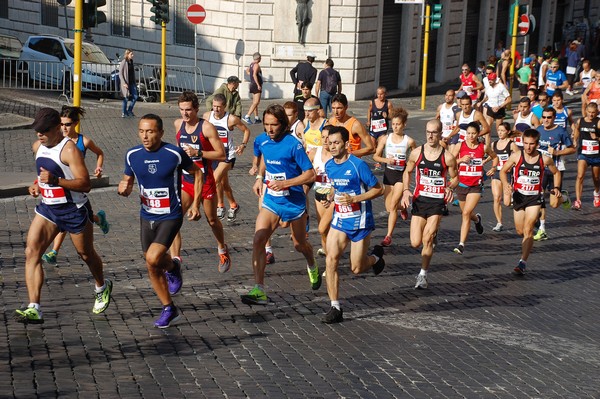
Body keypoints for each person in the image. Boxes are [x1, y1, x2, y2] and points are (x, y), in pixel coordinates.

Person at [15, 108, 112, 324]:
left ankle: (101, 287)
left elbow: (85, 184)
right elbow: (42, 174)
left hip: (74, 210)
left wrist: (55, 181)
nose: (39, 134)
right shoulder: (37, 146)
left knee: (86, 254)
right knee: (32, 252)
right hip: (48, 208)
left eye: (44, 130)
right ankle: (34, 307)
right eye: (37, 130)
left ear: (58, 128)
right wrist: (37, 186)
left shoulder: (69, 151)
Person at [118, 114, 202, 328]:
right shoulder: (132, 155)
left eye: (150, 131)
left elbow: (197, 173)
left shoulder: (173, 153)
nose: (145, 136)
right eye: (141, 131)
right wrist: (124, 187)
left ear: (161, 133)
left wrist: (194, 204)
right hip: (147, 215)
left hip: (170, 215)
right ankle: (170, 303)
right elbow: (128, 179)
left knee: (154, 257)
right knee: (152, 263)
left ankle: (170, 282)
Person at [240, 104, 320, 306]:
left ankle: (311, 264)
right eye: (266, 125)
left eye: (273, 125)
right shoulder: (261, 141)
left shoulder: (293, 144)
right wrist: (259, 176)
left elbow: (310, 174)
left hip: (293, 202)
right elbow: (264, 157)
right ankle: (259, 289)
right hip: (272, 200)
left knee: (299, 244)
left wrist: (286, 183)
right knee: (259, 238)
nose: (269, 129)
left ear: (283, 124)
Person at [319, 126, 385, 323]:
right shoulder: (330, 165)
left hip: (360, 220)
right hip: (340, 219)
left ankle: (375, 258)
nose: (332, 146)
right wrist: (330, 197)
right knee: (331, 260)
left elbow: (378, 189)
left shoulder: (358, 165)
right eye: (330, 143)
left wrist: (355, 197)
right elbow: (335, 187)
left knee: (356, 268)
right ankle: (335, 307)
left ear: (346, 144)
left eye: (336, 143)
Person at [42, 106, 110, 265]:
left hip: (75, 187)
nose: (64, 128)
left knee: (65, 220)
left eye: (68, 124)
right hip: (58, 186)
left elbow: (99, 153)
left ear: (76, 123)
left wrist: (98, 168)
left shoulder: (83, 141)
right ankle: (98, 218)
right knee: (65, 218)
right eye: (61, 124)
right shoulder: (56, 141)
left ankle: (53, 252)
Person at [172, 91, 230, 273]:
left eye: (188, 110)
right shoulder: (178, 124)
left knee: (212, 220)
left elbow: (222, 155)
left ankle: (222, 248)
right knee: (174, 219)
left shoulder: (206, 128)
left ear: (196, 109)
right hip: (186, 180)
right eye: (182, 110)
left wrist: (199, 153)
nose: (185, 114)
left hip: (205, 180)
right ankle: (176, 261)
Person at [401, 119, 458, 289]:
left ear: (440, 134)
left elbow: (455, 177)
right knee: (414, 242)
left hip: (437, 202)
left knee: (427, 239)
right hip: (420, 200)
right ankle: (432, 236)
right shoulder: (417, 153)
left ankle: (422, 275)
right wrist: (405, 190)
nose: (430, 135)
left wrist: (449, 187)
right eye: (428, 132)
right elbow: (407, 171)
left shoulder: (447, 157)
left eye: (434, 132)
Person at [500, 128, 563, 275]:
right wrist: (506, 185)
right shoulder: (516, 156)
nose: (528, 147)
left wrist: (556, 187)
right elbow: (503, 171)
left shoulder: (544, 158)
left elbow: (556, 172)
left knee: (528, 230)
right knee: (520, 230)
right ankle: (532, 222)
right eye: (526, 143)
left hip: (535, 198)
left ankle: (522, 262)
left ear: (537, 143)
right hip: (519, 197)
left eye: (532, 144)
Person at [373, 106, 416, 246]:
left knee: (392, 206)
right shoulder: (386, 138)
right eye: (393, 124)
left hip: (400, 176)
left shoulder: (409, 141)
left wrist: (410, 165)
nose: (395, 127)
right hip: (388, 174)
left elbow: (416, 157)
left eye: (398, 124)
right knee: (389, 207)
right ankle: (403, 208)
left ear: (404, 124)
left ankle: (388, 236)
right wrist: (387, 160)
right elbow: (375, 156)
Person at [450, 122, 496, 254]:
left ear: (478, 133)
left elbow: (495, 157)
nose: (470, 136)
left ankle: (461, 244)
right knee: (468, 213)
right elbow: (450, 161)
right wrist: (461, 160)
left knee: (465, 214)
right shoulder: (460, 145)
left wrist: (493, 168)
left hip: (475, 186)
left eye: (473, 133)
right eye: (468, 133)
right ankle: (477, 219)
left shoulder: (483, 147)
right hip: (461, 184)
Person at [204, 93, 250, 223]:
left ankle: (219, 205)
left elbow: (246, 131)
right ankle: (234, 205)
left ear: (225, 107)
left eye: (219, 107)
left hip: (227, 156)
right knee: (224, 184)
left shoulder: (231, 119)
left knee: (215, 178)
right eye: (214, 106)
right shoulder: (207, 116)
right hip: (213, 155)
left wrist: (243, 145)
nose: (216, 110)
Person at [534, 107, 575, 241]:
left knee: (554, 204)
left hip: (555, 170)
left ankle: (563, 198)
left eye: (549, 117)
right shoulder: (539, 130)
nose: (546, 120)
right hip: (541, 170)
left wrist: (557, 153)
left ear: (554, 118)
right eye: (544, 117)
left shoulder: (561, 131)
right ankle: (542, 229)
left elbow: (572, 149)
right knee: (539, 197)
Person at [308, 125, 334, 256]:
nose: (324, 140)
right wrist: (312, 173)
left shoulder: (337, 155)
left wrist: (331, 196)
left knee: (329, 228)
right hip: (318, 195)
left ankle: (332, 257)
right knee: (322, 230)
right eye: (322, 137)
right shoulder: (314, 152)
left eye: (327, 137)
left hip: (333, 197)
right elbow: (304, 171)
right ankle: (327, 251)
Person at [488, 122, 519, 231]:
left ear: (508, 132)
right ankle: (499, 222)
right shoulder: (494, 144)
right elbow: (492, 156)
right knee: (496, 198)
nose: (500, 133)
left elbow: (519, 158)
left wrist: (512, 165)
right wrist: (487, 163)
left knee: (506, 203)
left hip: (507, 174)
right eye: (499, 130)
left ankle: (517, 200)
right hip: (497, 173)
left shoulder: (511, 144)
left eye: (502, 131)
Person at [571, 102, 600, 210]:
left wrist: (596, 137)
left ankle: (597, 193)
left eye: (593, 113)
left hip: (596, 155)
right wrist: (575, 140)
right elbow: (577, 130)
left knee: (596, 178)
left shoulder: (598, 122)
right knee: (580, 175)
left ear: (597, 112)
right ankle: (578, 200)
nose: (591, 115)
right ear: (586, 111)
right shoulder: (581, 121)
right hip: (583, 153)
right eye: (589, 112)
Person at [328, 93, 374, 158]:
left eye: (339, 108)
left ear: (346, 107)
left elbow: (371, 148)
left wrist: (349, 154)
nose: (336, 112)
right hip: (336, 162)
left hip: (351, 163)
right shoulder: (331, 121)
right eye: (333, 108)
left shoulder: (355, 125)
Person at [366, 86, 394, 170]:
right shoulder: (372, 102)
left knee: (380, 146)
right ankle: (377, 157)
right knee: (373, 146)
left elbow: (391, 116)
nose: (379, 96)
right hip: (374, 127)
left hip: (382, 128)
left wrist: (387, 116)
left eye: (381, 94)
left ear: (385, 94)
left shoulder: (388, 104)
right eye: (378, 94)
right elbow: (369, 111)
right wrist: (368, 121)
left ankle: (378, 163)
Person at [243, 52, 263, 124]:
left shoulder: (251, 64)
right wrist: (258, 85)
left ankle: (256, 117)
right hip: (255, 84)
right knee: (256, 102)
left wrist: (250, 75)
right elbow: (254, 75)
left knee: (255, 102)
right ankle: (247, 116)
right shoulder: (257, 65)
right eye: (260, 58)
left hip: (252, 84)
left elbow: (247, 70)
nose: (261, 59)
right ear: (258, 58)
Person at [118, 49, 138, 118]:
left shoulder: (131, 62)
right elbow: (120, 73)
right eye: (131, 54)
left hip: (132, 82)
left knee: (135, 97)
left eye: (132, 54)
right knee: (126, 98)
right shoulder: (124, 62)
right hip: (126, 83)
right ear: (127, 54)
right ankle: (124, 112)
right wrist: (123, 83)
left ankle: (129, 110)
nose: (133, 55)